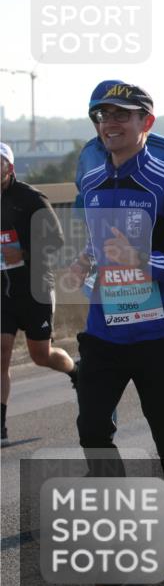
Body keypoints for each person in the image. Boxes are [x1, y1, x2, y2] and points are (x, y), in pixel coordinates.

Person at [64, 83, 164, 576]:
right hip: (104, 333)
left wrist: (144, 261)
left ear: (145, 123)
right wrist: (81, 264)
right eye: (102, 115)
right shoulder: (89, 182)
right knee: (91, 431)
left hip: (162, 334)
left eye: (122, 115)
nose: (110, 124)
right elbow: (97, 247)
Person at [1, 142, 77, 446]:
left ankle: (76, 371)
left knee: (40, 355)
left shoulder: (30, 199)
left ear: (10, 169)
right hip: (3, 290)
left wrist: (23, 252)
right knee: (1, 350)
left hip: (35, 287)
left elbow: (57, 240)